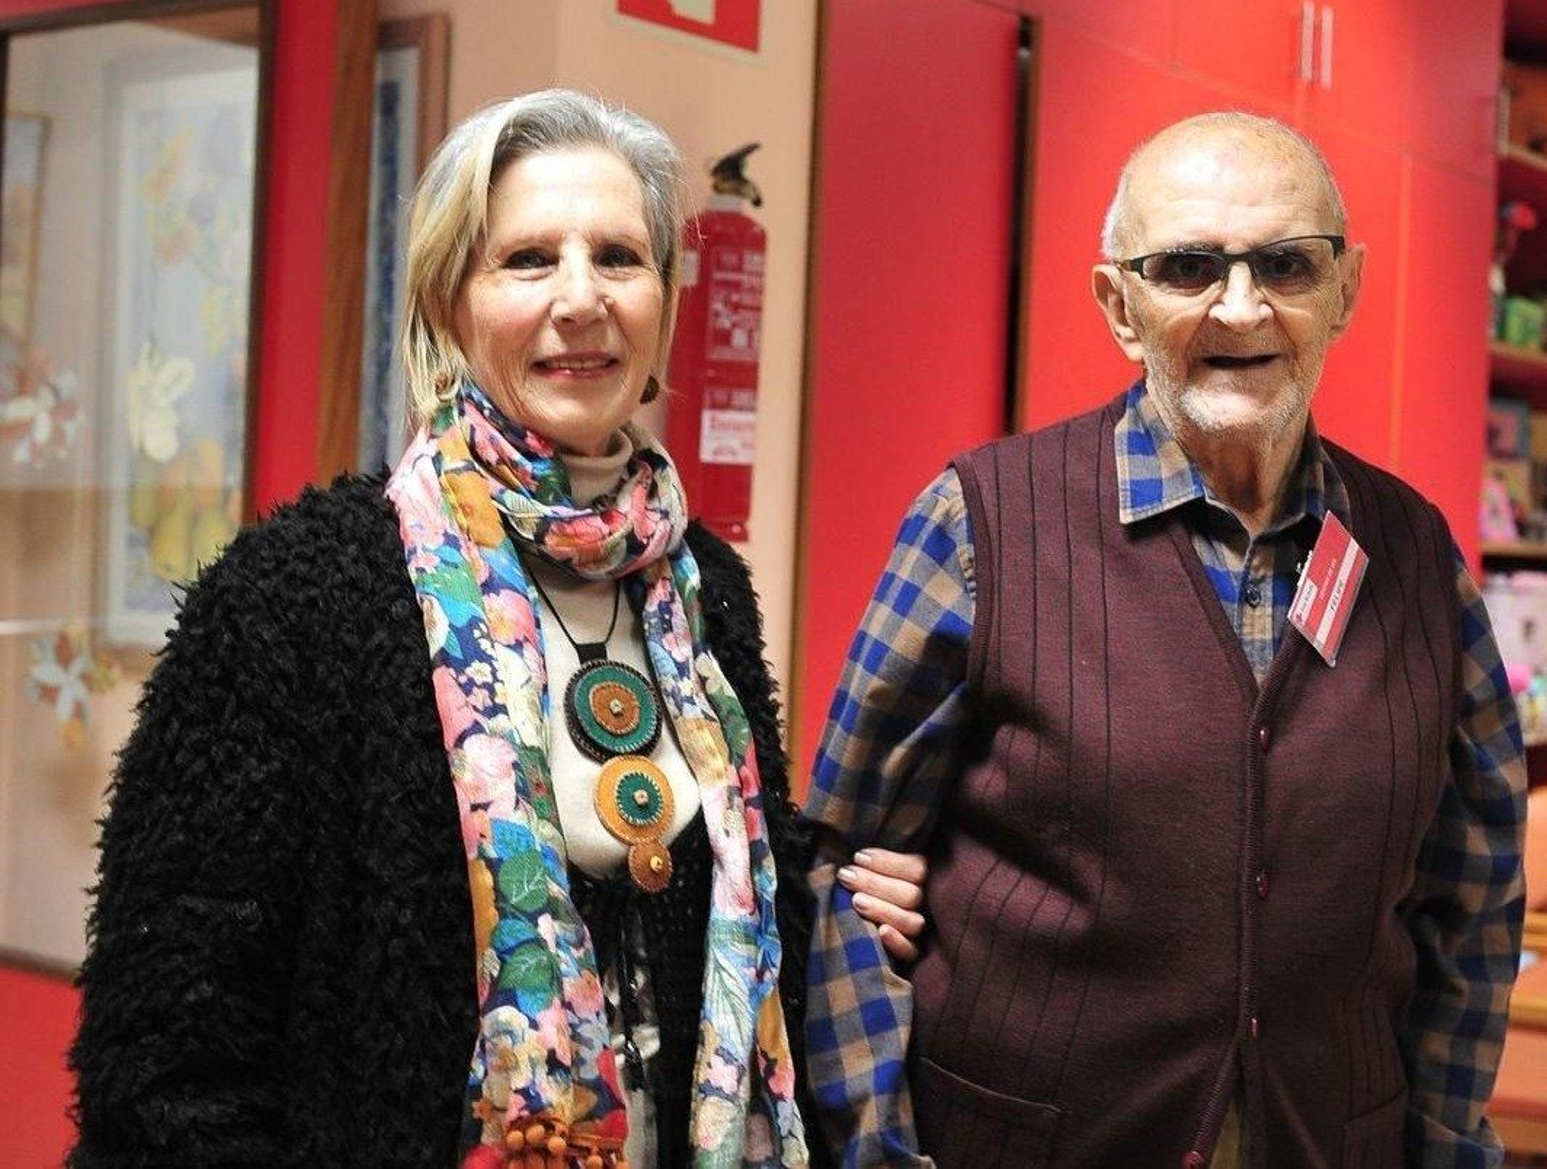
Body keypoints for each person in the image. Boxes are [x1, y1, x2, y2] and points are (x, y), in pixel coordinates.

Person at [69, 88, 924, 1169]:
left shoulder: (703, 584)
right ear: (448, 301)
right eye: (527, 260)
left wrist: (836, 891)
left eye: (619, 256)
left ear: (663, 296)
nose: (582, 299)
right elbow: (169, 1037)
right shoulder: (301, 590)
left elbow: (730, 906)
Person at [803, 112, 1527, 1167]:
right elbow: (838, 868)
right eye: (1186, 267)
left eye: (1286, 263)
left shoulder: (1415, 554)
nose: (1241, 307)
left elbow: (1475, 891)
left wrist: (1445, 1141)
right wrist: (873, 1146)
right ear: (1119, 304)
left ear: (1345, 290)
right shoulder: (981, 524)